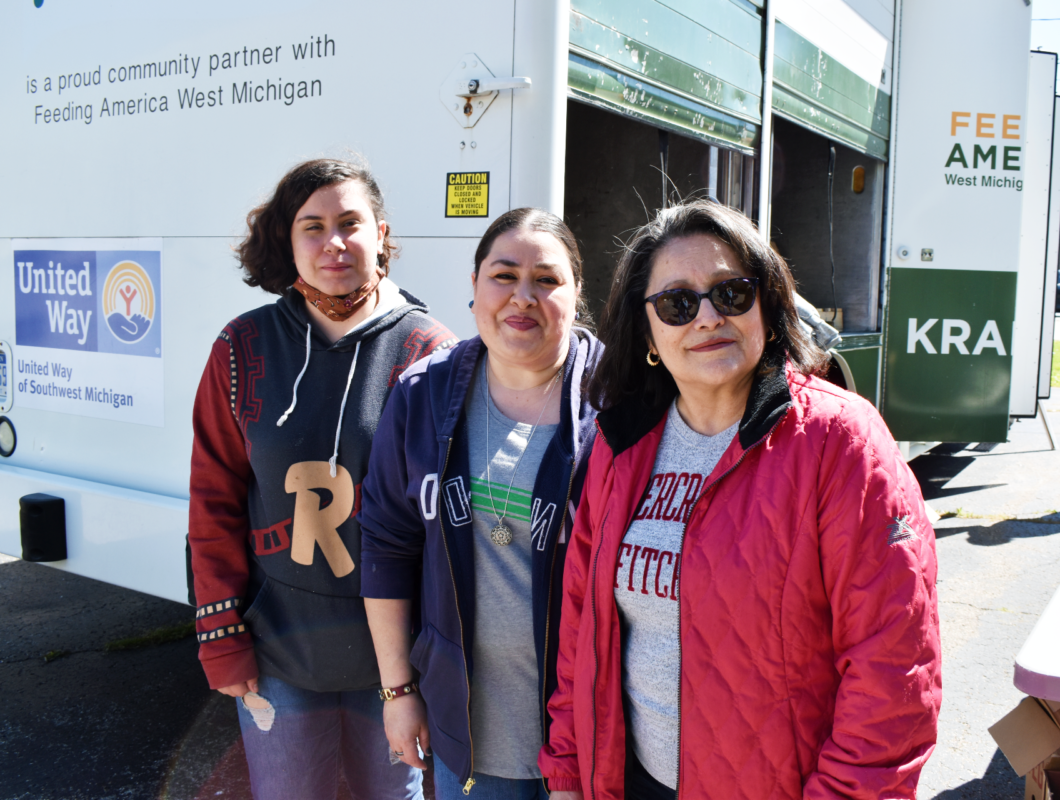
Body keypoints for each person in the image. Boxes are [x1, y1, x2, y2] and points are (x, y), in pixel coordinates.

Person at [538, 200, 941, 800]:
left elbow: (893, 673)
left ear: (768, 307)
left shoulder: (841, 442)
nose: (706, 318)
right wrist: (569, 773)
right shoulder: (620, 446)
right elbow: (582, 631)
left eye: (730, 294)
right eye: (676, 303)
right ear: (647, 332)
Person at [188, 158, 455, 800]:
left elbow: (446, 525)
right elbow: (214, 501)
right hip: (280, 651)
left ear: (382, 235)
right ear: (289, 240)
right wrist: (220, 635)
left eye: (350, 223)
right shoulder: (241, 349)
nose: (333, 242)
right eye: (313, 226)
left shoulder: (432, 352)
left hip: (394, 665)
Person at [358, 208, 603, 799]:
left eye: (546, 280)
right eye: (503, 275)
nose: (523, 296)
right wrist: (398, 691)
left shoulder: (618, 402)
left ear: (575, 296)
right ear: (473, 288)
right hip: (469, 732)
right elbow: (387, 545)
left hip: (596, 733)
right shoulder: (422, 394)